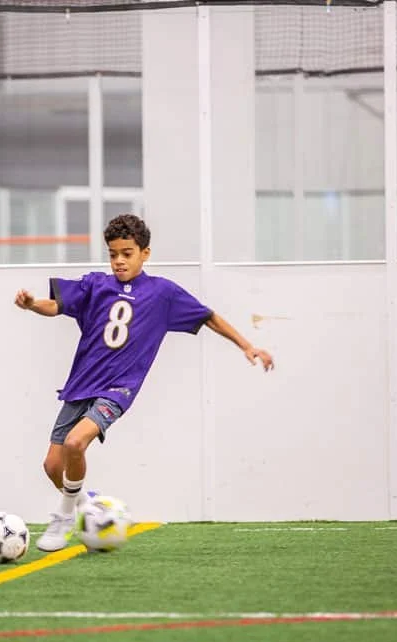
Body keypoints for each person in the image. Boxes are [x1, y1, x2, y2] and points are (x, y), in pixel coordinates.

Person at [15, 214, 274, 552]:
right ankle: (88, 510)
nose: (119, 261)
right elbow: (55, 306)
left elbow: (209, 317)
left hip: (119, 388)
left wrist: (247, 345)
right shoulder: (95, 285)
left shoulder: (162, 293)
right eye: (113, 254)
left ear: (145, 253)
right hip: (81, 383)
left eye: (127, 253)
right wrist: (33, 304)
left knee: (76, 444)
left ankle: (64, 519)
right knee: (53, 466)